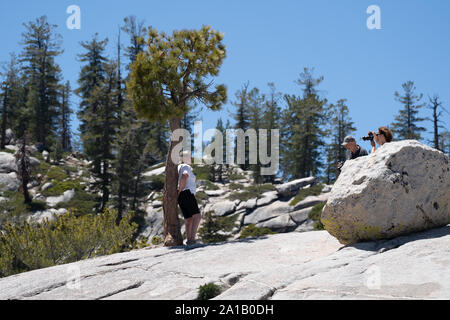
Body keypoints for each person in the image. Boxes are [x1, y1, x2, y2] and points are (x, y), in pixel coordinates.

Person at [177, 150, 201, 246]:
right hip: (186, 192)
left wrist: (178, 193)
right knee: (197, 216)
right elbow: (184, 177)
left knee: (189, 219)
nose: (191, 158)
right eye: (189, 156)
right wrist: (180, 190)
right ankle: (192, 240)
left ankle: (188, 240)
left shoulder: (179, 167)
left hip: (181, 195)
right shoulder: (185, 166)